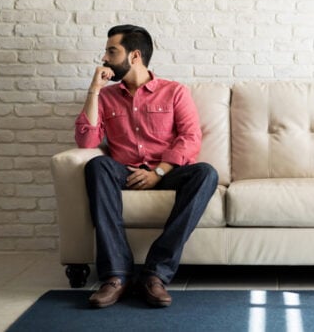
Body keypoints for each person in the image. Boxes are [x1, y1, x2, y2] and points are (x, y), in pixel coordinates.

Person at [75, 24, 218, 308]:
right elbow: (86, 141)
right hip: (123, 171)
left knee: (206, 173)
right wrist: (94, 89)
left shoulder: (174, 91)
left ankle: (155, 273)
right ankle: (116, 275)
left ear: (134, 56)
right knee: (96, 166)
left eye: (111, 51)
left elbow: (190, 138)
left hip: (167, 170)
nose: (104, 58)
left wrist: (158, 173)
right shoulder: (106, 96)